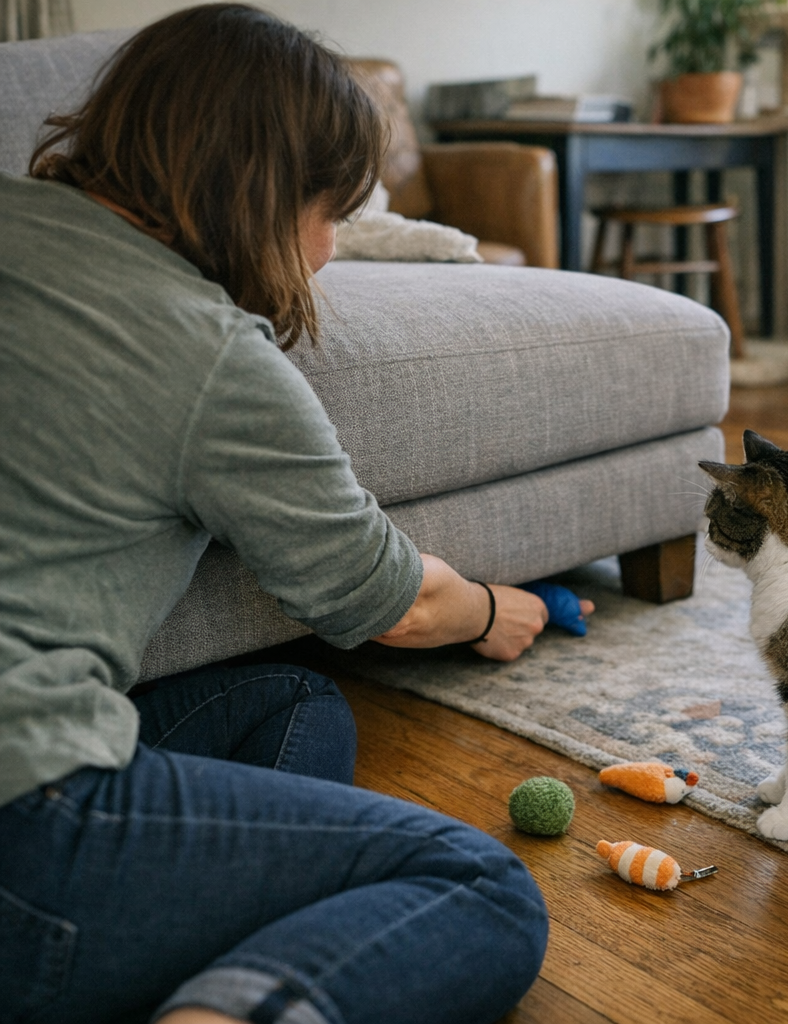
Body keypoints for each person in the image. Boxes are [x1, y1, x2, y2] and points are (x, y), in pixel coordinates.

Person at [0, 6, 593, 1023]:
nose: (324, 253)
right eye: (332, 214)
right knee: (479, 887)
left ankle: (214, 944)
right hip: (27, 823)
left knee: (291, 703)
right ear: (266, 194)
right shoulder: (209, 354)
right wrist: (494, 609)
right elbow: (389, 603)